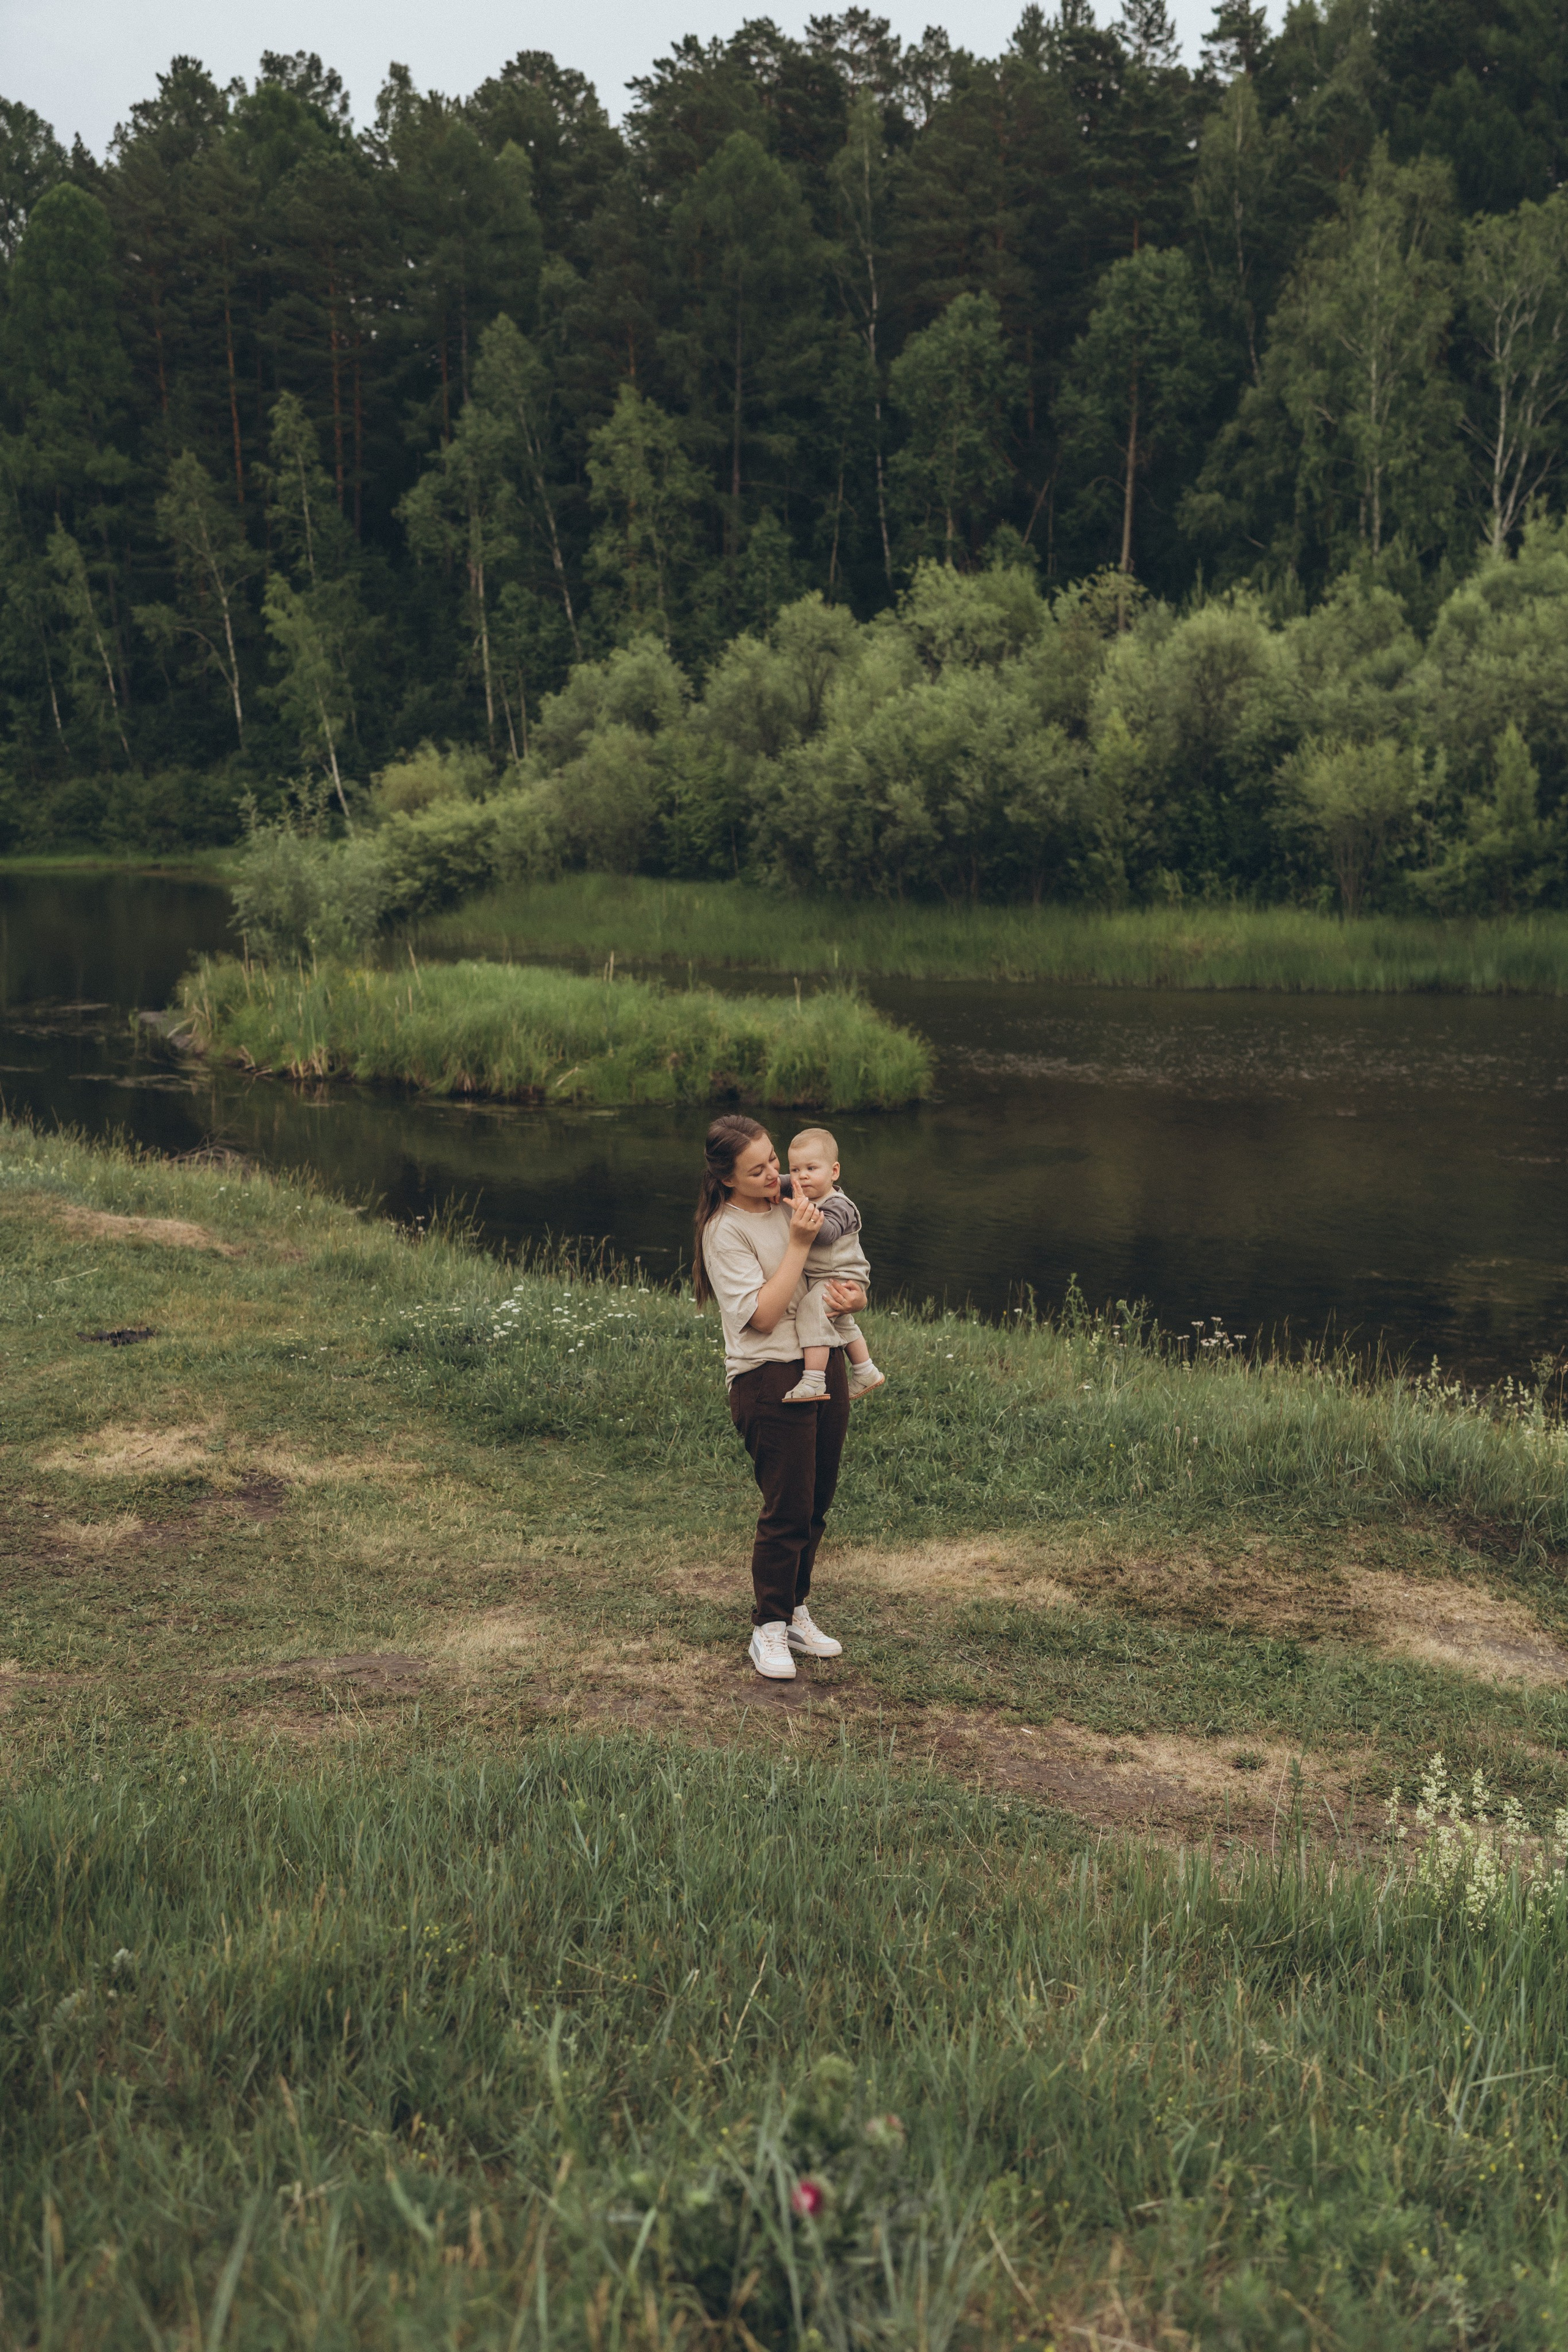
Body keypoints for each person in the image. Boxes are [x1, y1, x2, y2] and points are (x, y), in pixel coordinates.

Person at [693, 1113, 868, 1682]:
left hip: (825, 1361)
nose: (777, 1175)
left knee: (816, 1501)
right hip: (768, 1376)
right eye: (759, 1169)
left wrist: (853, 1300)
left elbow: (842, 1262)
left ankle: (794, 1610)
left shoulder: (798, 1196)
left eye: (775, 1160)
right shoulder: (726, 1230)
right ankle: (767, 1626)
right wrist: (796, 1244)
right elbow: (764, 1317)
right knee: (786, 1507)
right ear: (726, 1179)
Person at [776, 1125, 885, 1404]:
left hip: (843, 1275)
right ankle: (866, 1371)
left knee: (812, 1309)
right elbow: (777, 1181)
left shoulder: (839, 1205)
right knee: (842, 1322)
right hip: (828, 1276)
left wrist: (803, 1210)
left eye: (812, 1168)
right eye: (796, 1169)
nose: (802, 1176)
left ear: (834, 1171)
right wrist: (770, 1181)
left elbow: (826, 1235)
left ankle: (814, 1380)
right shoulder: (803, 1187)